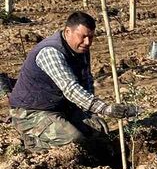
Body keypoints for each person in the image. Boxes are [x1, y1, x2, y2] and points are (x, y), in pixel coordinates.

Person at [7, 12, 138, 151]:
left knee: (99, 130)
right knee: (73, 140)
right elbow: (71, 88)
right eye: (83, 36)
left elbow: (86, 81)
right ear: (68, 31)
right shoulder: (50, 52)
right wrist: (106, 109)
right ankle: (33, 143)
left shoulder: (80, 49)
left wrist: (88, 113)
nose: (87, 42)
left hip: (60, 107)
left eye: (91, 37)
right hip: (32, 111)